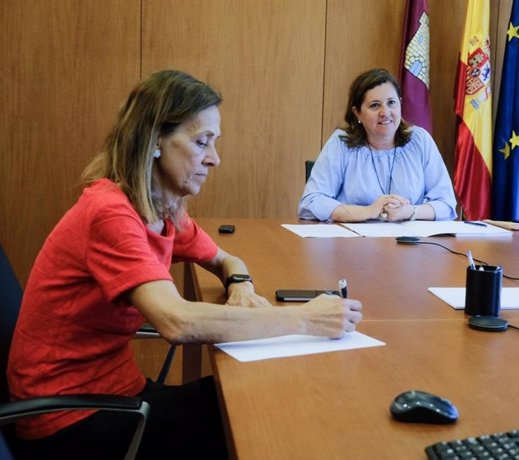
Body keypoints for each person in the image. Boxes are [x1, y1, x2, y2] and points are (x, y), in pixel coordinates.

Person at [7, 70, 363, 460]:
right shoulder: (109, 213)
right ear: (156, 139)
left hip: (115, 392)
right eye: (201, 141)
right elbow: (177, 321)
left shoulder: (164, 208)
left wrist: (240, 283)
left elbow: (225, 258)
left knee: (261, 394)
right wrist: (307, 320)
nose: (215, 158)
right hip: (68, 421)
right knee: (260, 416)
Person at [298, 68, 457, 222]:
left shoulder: (420, 140)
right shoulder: (341, 143)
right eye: (375, 105)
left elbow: (446, 204)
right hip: (353, 245)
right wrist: (368, 211)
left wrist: (410, 211)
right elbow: (311, 202)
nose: (385, 112)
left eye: (391, 103)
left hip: (409, 244)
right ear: (357, 113)